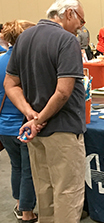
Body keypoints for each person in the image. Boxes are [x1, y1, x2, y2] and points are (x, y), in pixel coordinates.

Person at [4, 0, 87, 223]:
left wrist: (30, 114)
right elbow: (63, 92)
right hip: (63, 130)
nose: (81, 26)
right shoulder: (67, 41)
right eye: (81, 19)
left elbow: (10, 84)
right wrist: (39, 118)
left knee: (45, 191)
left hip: (35, 133)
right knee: (68, 193)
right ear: (69, 13)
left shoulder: (24, 38)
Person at [0, 20, 37, 223]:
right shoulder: (25, 62)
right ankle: (27, 212)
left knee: (16, 166)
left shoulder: (0, 60)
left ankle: (18, 202)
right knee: (28, 170)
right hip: (23, 124)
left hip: (3, 126)